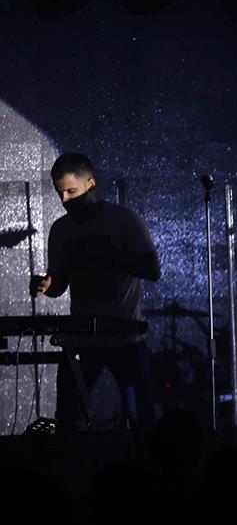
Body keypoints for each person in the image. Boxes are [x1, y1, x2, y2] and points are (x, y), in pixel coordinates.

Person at [29, 152, 161, 433]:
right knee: (68, 417)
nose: (64, 200)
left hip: (125, 336)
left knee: (141, 418)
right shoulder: (61, 230)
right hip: (82, 337)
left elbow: (152, 270)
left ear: (91, 183)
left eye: (71, 191)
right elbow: (60, 283)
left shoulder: (122, 220)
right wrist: (47, 285)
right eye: (60, 193)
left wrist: (113, 255)